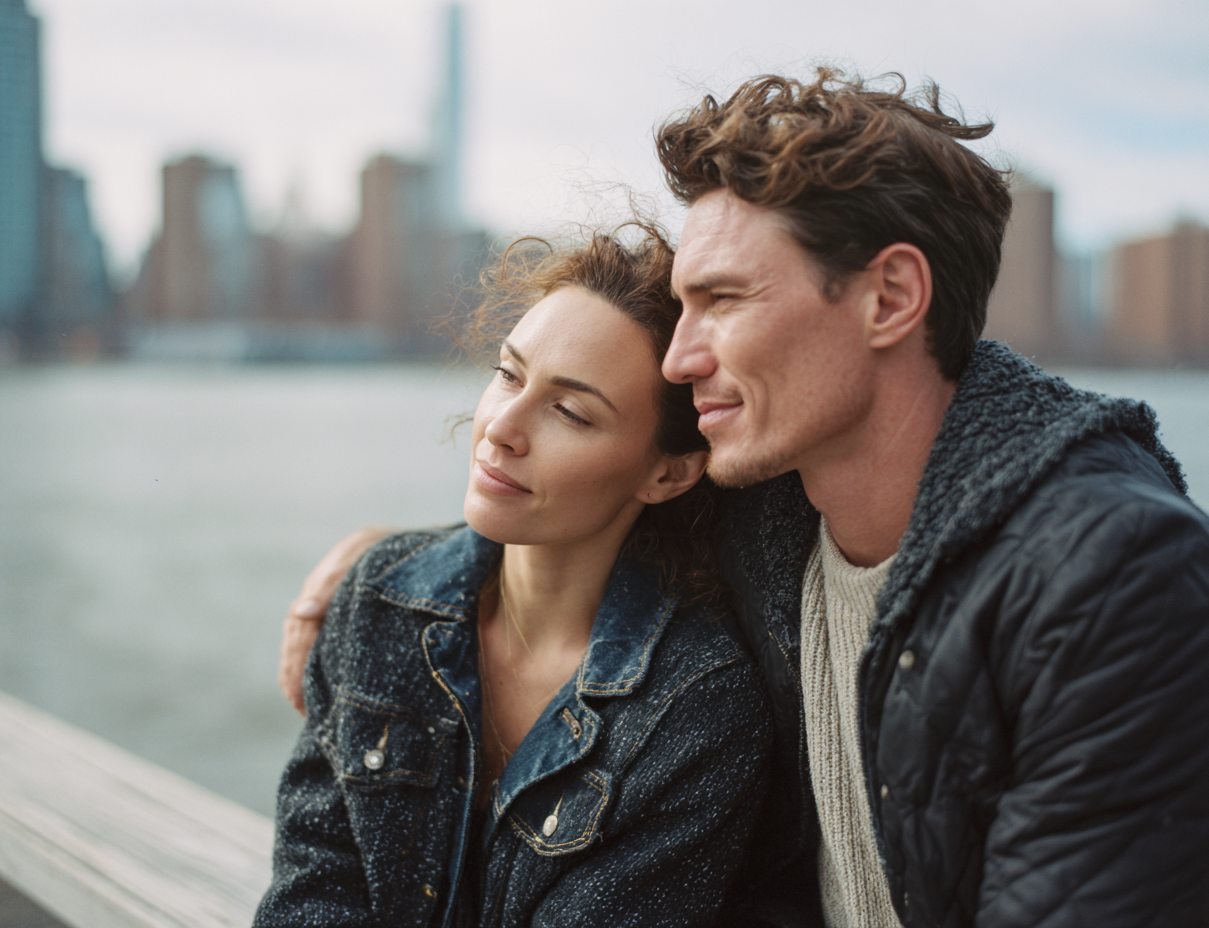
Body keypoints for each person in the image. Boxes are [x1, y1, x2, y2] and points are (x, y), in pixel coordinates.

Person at [279, 69, 1209, 927]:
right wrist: (389, 562)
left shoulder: (1113, 582)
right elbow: (571, 512)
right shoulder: (773, 509)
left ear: (890, 297)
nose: (681, 360)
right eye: (682, 306)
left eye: (722, 301)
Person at [255, 226, 777, 927]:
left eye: (570, 411)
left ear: (669, 472)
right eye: (508, 374)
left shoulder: (695, 709)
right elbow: (312, 896)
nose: (502, 427)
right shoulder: (380, 598)